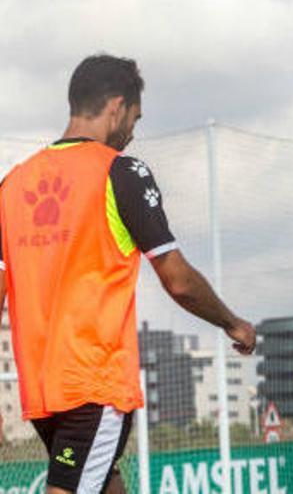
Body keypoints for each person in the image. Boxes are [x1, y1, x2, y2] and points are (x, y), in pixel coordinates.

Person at [0, 55, 256, 494]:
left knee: (104, 481)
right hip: (94, 385)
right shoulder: (121, 172)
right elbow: (176, 278)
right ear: (116, 107)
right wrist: (232, 322)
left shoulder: (14, 184)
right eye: (135, 118)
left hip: (41, 391)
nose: (134, 131)